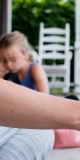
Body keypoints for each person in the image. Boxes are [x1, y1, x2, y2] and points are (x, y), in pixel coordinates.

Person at [0, 31, 54, 159]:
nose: (9, 65)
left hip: (37, 111)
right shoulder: (10, 75)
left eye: (13, 60)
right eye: (4, 61)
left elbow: (45, 98)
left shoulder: (35, 69)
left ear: (25, 55)